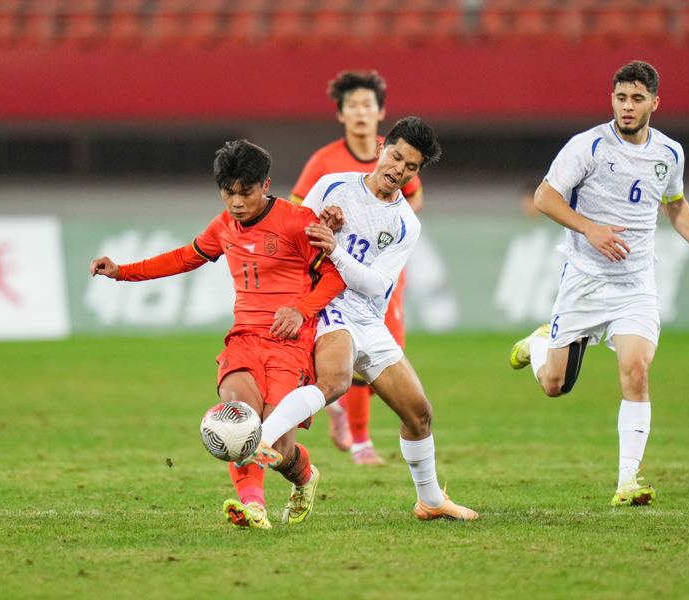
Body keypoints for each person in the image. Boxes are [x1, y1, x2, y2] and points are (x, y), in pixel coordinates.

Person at [509, 61, 689, 507]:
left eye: (637, 98)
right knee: (554, 385)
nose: (627, 106)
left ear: (655, 102)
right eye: (621, 98)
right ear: (612, 100)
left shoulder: (669, 153)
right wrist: (590, 228)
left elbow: (674, 204)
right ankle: (539, 344)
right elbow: (543, 196)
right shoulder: (588, 146)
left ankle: (627, 481)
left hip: (635, 284)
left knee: (636, 371)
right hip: (584, 280)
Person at [89, 140, 346, 529]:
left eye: (246, 192)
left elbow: (335, 276)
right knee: (238, 424)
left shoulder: (297, 222)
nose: (236, 202)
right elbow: (184, 257)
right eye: (228, 192)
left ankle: (305, 476)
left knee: (278, 447)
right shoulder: (224, 226)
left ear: (265, 185)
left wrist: (301, 309)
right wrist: (123, 271)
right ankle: (253, 507)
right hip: (244, 341)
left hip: (290, 347)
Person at [240, 117, 478, 521]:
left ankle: (430, 501)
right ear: (382, 148)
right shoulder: (333, 186)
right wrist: (318, 226)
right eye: (396, 157)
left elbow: (377, 284)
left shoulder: (406, 223)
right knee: (336, 380)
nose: (399, 169)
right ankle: (262, 439)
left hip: (369, 318)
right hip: (326, 304)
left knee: (419, 413)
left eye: (411, 167)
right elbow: (289, 239)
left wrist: (334, 248)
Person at [290, 70, 424, 465]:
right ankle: (359, 438)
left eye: (368, 104)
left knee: (380, 355)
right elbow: (299, 215)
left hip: (378, 275)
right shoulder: (326, 164)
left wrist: (382, 232)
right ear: (341, 114)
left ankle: (346, 419)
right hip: (332, 277)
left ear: (381, 112)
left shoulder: (402, 156)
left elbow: (412, 201)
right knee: (337, 356)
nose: (361, 112)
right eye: (352, 105)